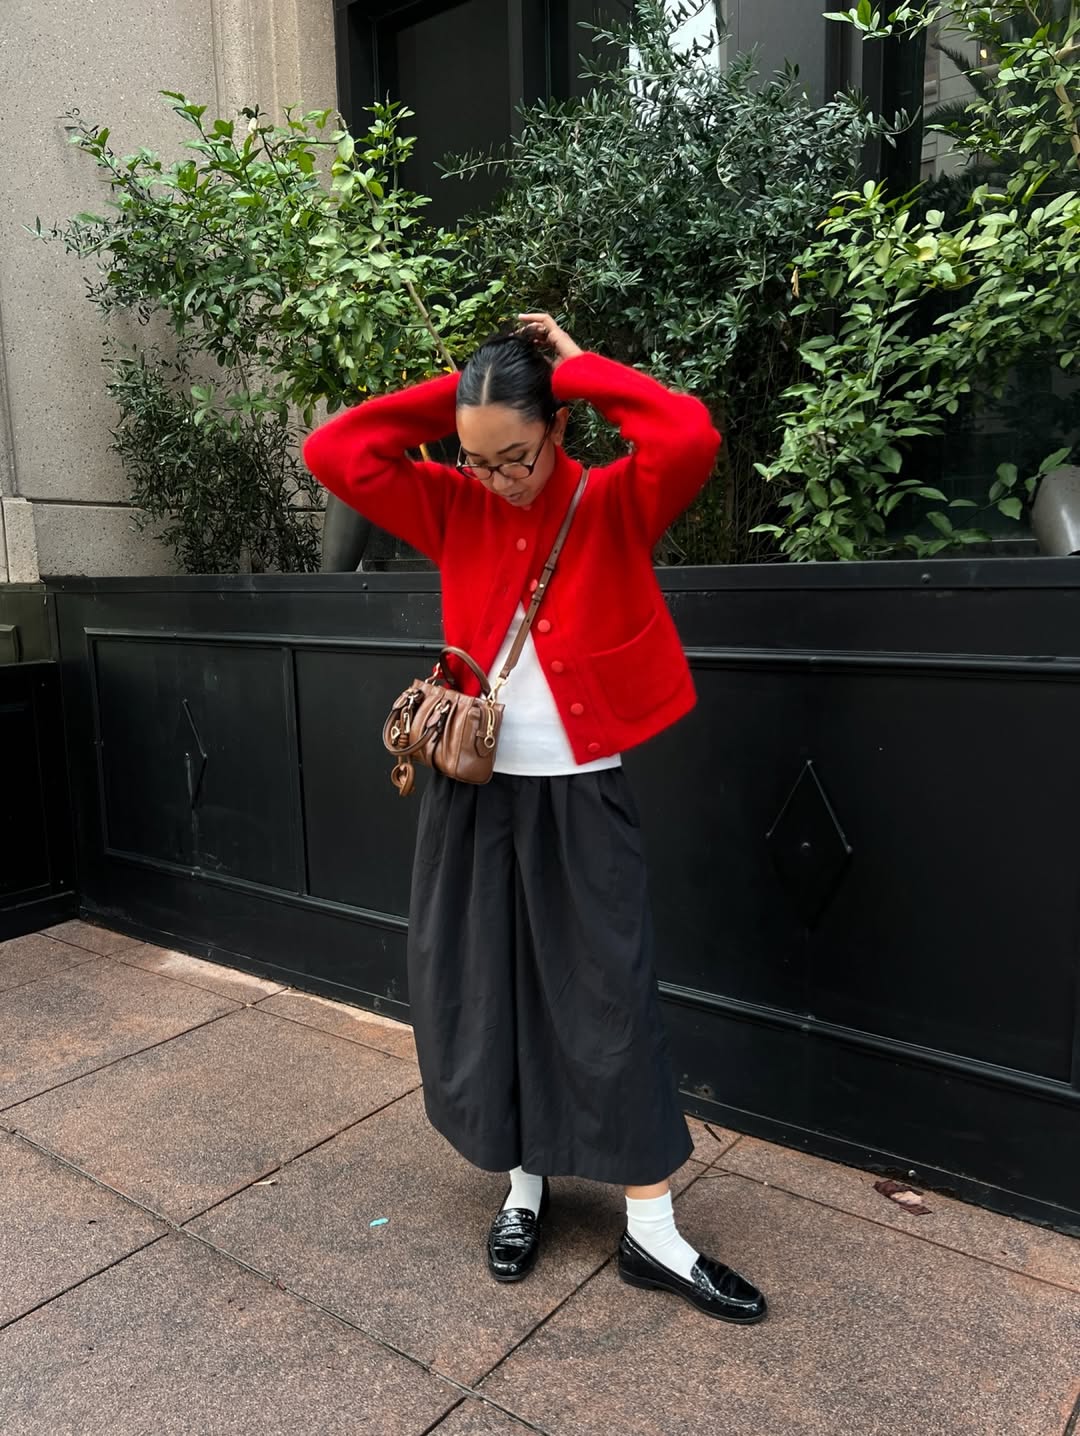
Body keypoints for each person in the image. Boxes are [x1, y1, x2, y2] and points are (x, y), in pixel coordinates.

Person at [302, 312, 768, 1324]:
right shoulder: (451, 502)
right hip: (472, 791)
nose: (497, 478)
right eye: (477, 460)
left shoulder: (612, 502)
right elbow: (331, 449)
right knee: (485, 986)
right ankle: (523, 1183)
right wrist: (465, 396)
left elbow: (689, 435)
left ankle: (652, 1224)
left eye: (515, 454)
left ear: (557, 430)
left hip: (581, 792)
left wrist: (576, 371)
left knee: (612, 996)